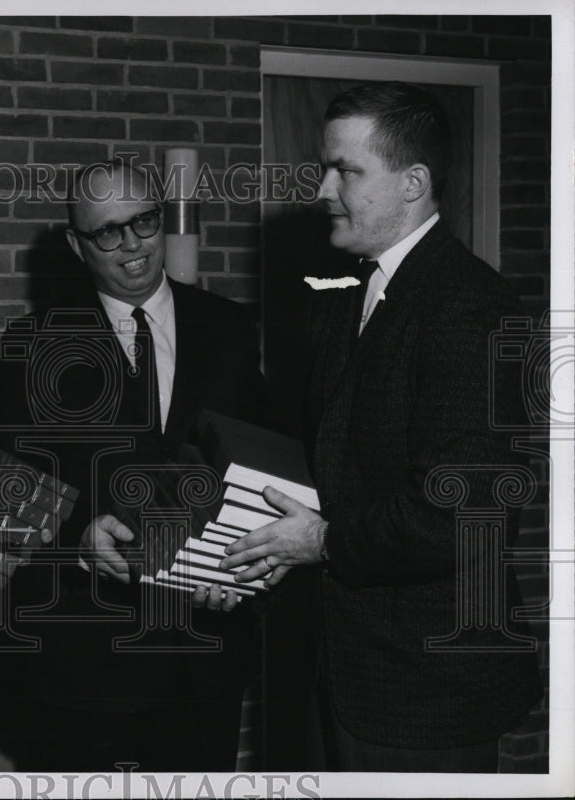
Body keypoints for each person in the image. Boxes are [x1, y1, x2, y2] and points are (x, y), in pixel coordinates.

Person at [221, 81, 543, 772]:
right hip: (334, 676)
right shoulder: (340, 300)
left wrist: (324, 539)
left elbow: (466, 511)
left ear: (413, 183)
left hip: (425, 691)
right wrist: (240, 552)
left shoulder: (474, 306)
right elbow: (320, 467)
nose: (323, 191)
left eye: (348, 170)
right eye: (326, 168)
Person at [0, 159, 267, 771]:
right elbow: (15, 493)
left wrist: (245, 571)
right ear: (75, 244)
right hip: (87, 664)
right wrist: (77, 537)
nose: (133, 246)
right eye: (107, 232)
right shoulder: (32, 346)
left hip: (207, 653)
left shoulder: (228, 328)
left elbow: (260, 464)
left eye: (144, 222)